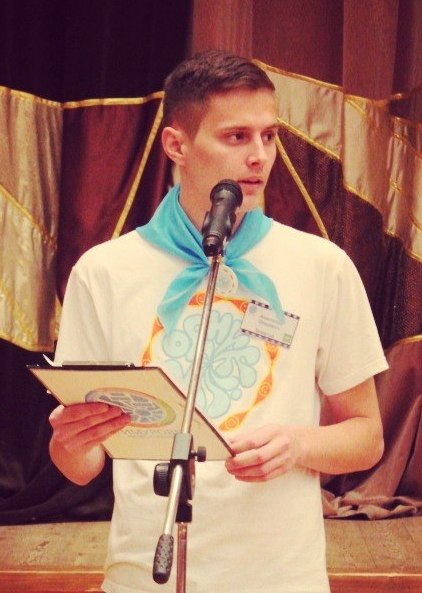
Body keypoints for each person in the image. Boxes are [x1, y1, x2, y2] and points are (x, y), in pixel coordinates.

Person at [49, 50, 388, 593]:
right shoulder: (104, 272)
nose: (260, 156)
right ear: (176, 145)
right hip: (146, 576)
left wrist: (298, 445)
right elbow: (81, 464)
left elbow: (367, 436)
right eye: (236, 137)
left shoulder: (322, 266)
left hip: (280, 577)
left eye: (269, 136)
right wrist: (69, 442)